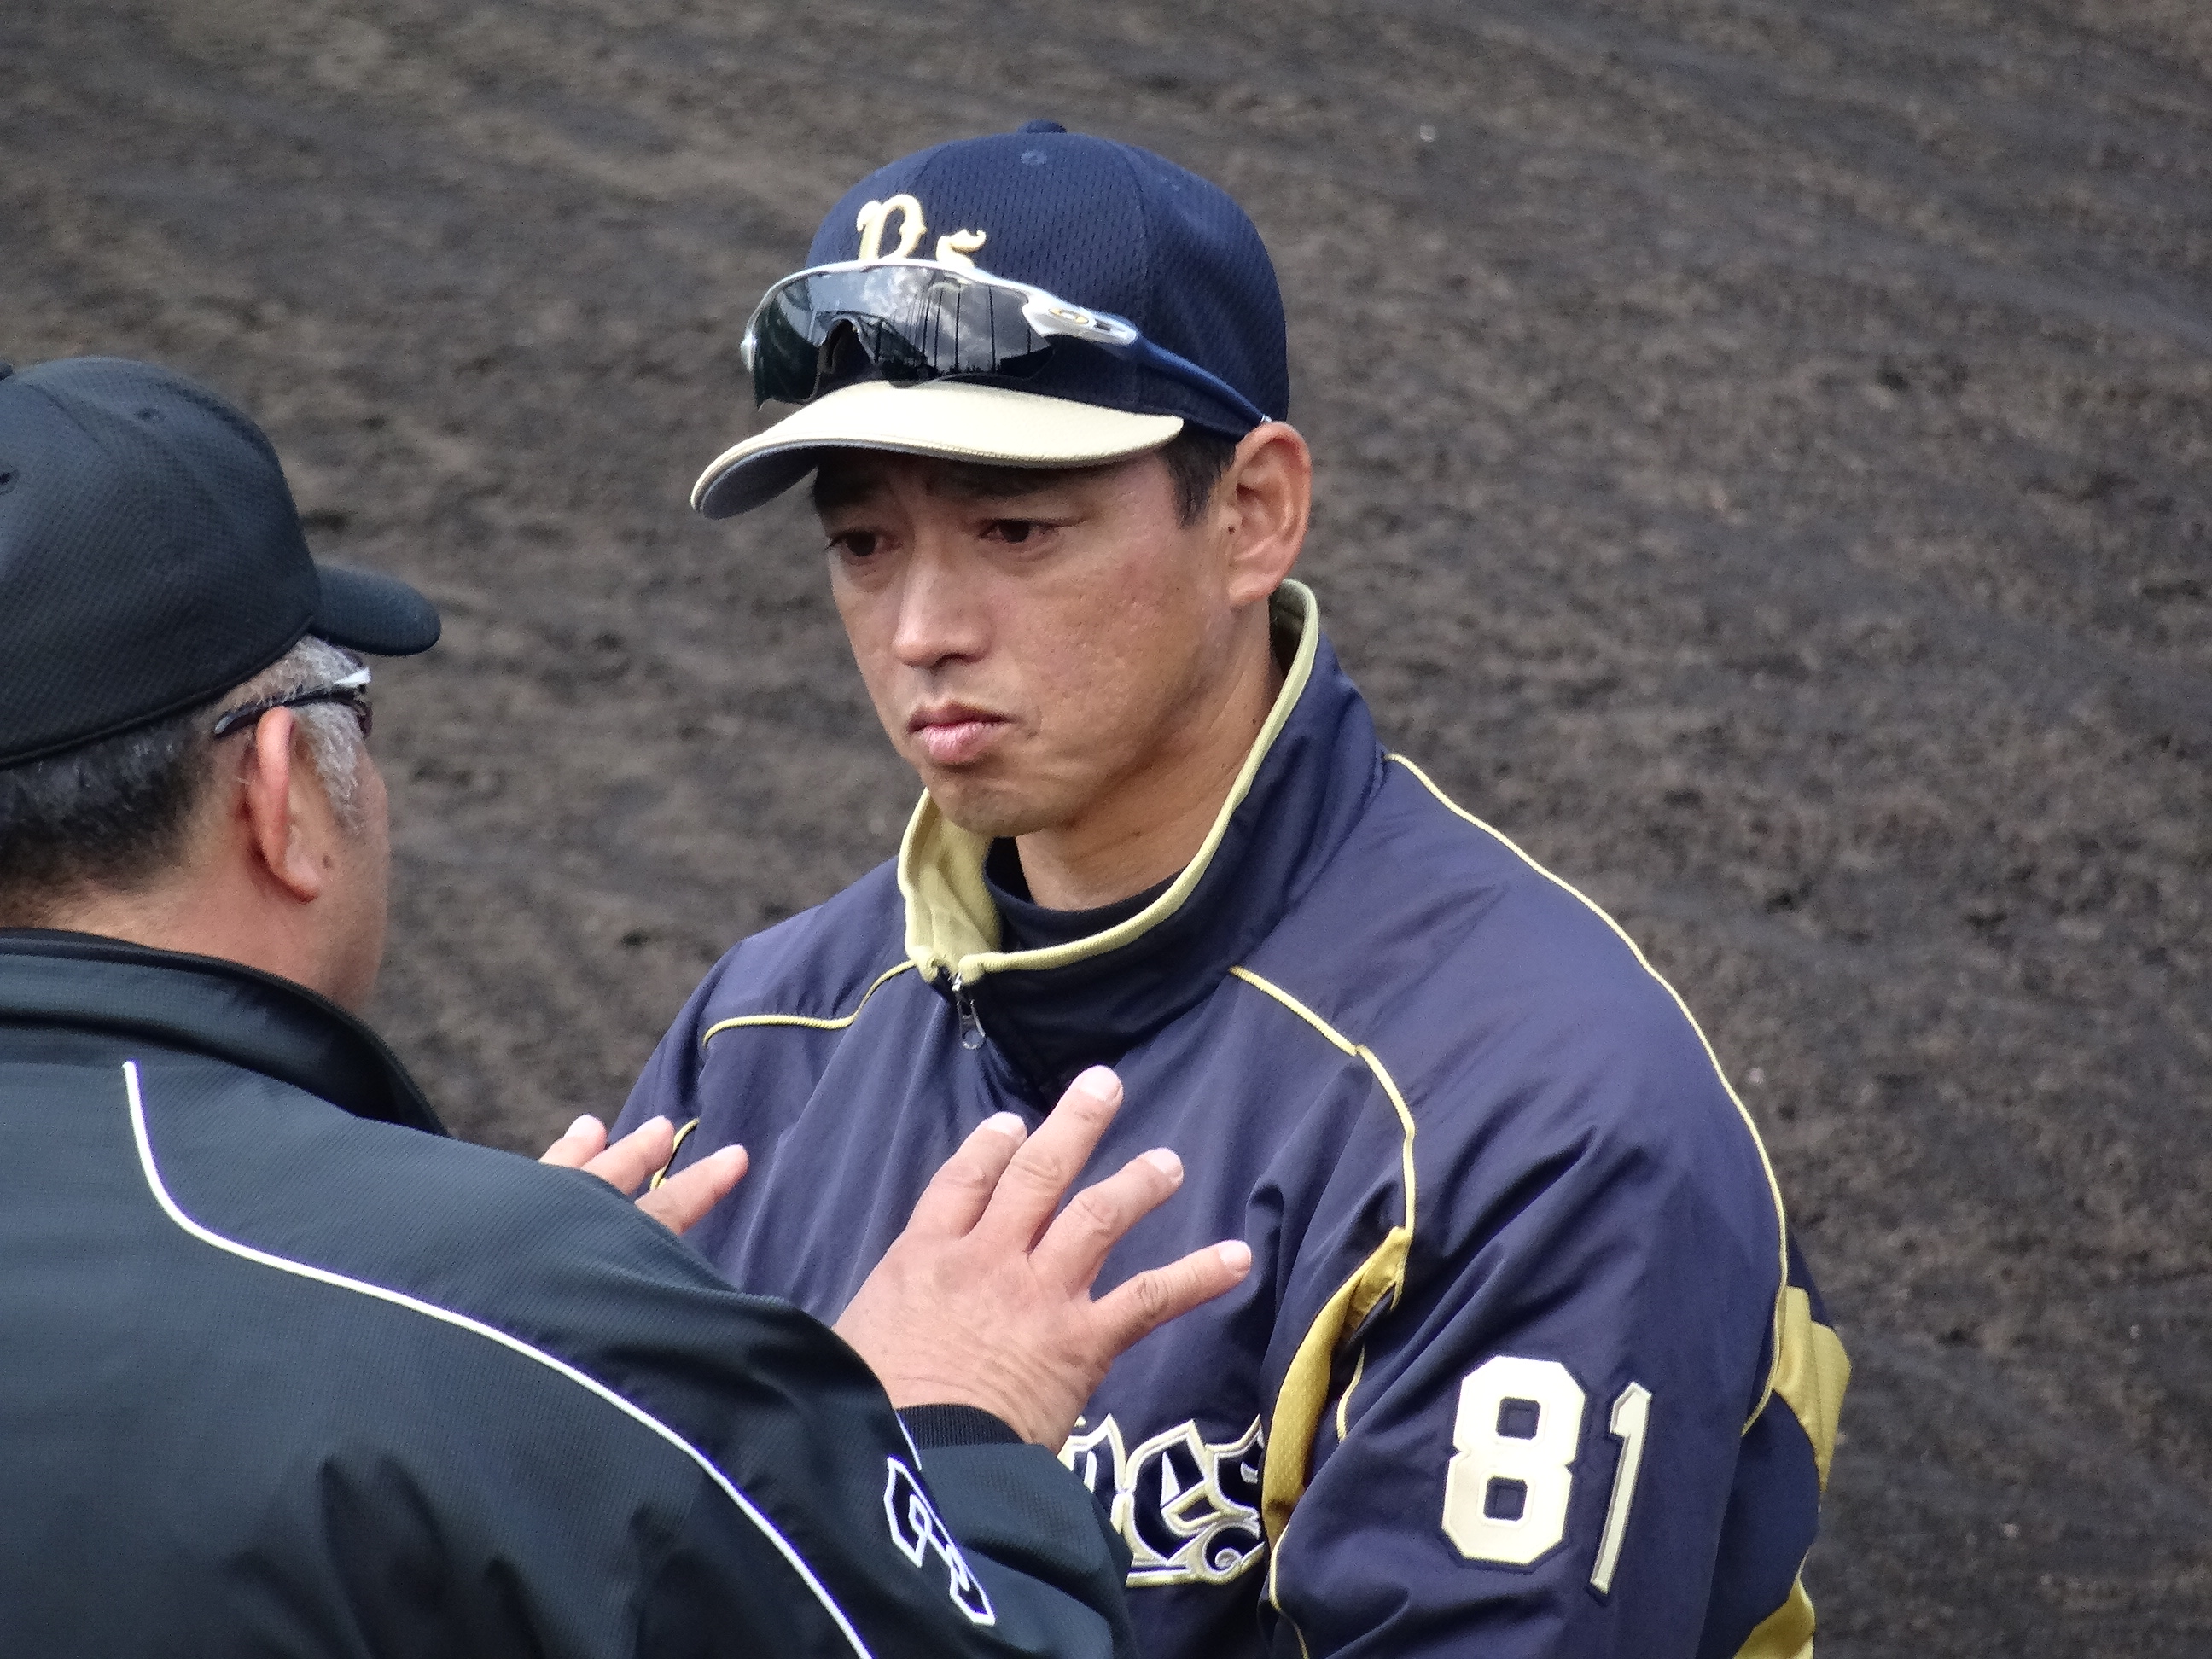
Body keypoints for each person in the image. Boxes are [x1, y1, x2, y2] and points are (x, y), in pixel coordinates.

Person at [620, 122, 1852, 1659]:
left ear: (1253, 514)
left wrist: (918, 1484)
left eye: (1017, 526)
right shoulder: (761, 1036)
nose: (924, 625)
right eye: (865, 542)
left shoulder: (1543, 1109)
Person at [0, 354, 1252, 1656]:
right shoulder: (508, 1324)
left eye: (1014, 531)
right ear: (283, 794)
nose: (927, 629)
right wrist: (942, 1436)